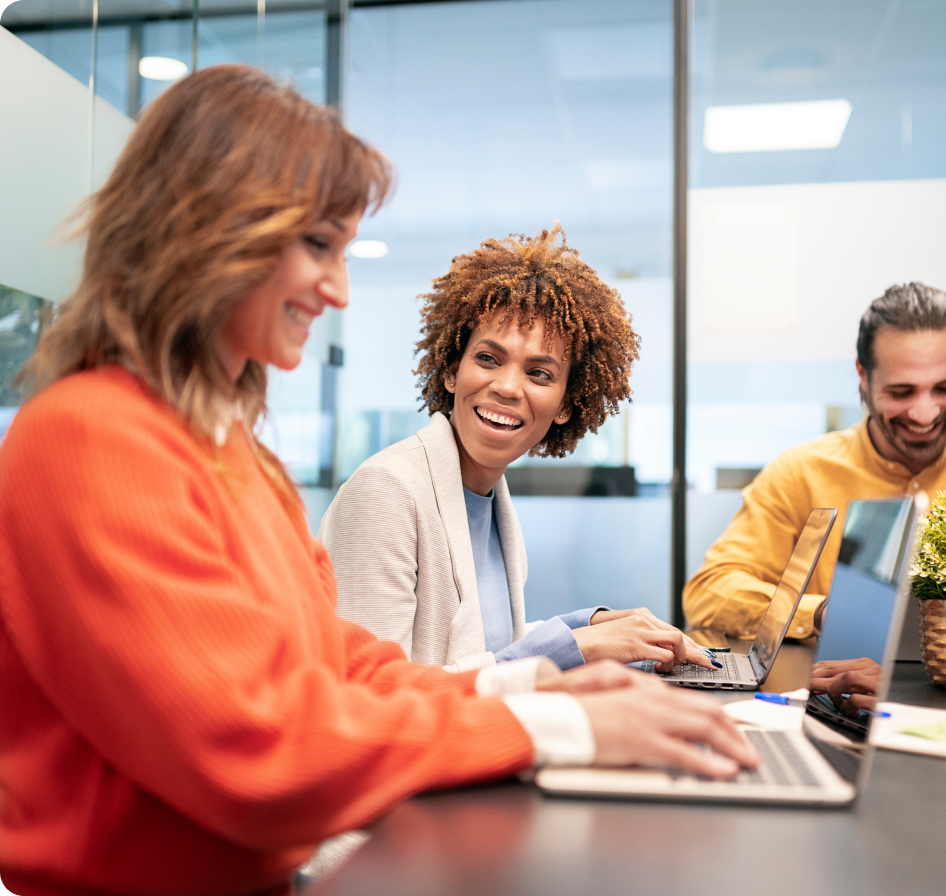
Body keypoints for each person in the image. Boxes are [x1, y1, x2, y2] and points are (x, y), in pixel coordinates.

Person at [0, 65, 755, 896]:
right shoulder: (90, 439)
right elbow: (258, 749)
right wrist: (551, 721)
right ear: (209, 232)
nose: (340, 289)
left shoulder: (235, 456)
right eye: (318, 246)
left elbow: (332, 660)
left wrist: (531, 680)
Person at [318, 227, 716, 674]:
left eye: (539, 373)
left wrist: (597, 625)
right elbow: (371, 694)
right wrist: (579, 645)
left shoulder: (488, 498)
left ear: (566, 404)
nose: (506, 387)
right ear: (452, 373)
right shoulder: (386, 491)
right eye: (487, 358)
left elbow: (483, 646)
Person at [684, 282, 946, 640]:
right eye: (902, 392)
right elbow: (712, 591)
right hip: (836, 701)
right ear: (863, 375)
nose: (926, 414)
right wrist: (824, 614)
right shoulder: (797, 475)